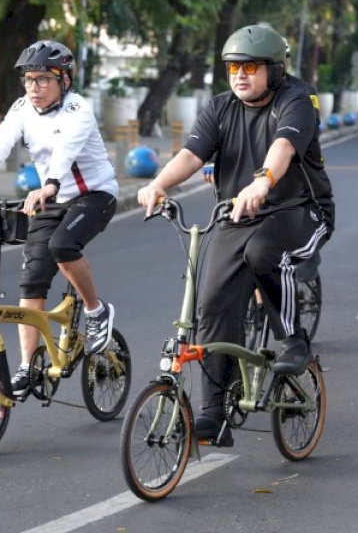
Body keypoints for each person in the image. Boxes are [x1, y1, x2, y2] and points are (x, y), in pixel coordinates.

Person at [137, 25, 334, 445]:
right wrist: (158, 184)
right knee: (211, 305)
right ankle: (214, 414)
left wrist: (261, 183)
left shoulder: (296, 100)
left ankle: (293, 339)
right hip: (235, 215)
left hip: (301, 212)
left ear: (275, 70)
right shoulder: (221, 108)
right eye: (233, 68)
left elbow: (282, 146)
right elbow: (191, 154)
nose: (240, 75)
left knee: (264, 253)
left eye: (250, 67)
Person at [0, 40, 118, 394]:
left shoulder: (77, 110)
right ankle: (27, 367)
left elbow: (65, 152)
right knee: (31, 280)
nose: (33, 87)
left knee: (63, 245)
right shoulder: (22, 109)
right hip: (50, 198)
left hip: (93, 195)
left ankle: (97, 311)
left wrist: (50, 185)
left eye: (42, 80)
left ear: (63, 80)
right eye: (28, 80)